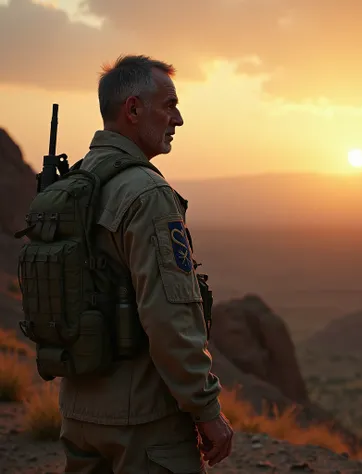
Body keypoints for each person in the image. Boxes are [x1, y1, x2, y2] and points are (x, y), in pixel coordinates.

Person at [58, 55, 234, 473]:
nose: (179, 119)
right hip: (144, 425)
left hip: (80, 413)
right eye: (169, 105)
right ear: (133, 110)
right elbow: (170, 316)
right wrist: (205, 409)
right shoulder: (147, 194)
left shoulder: (74, 184)